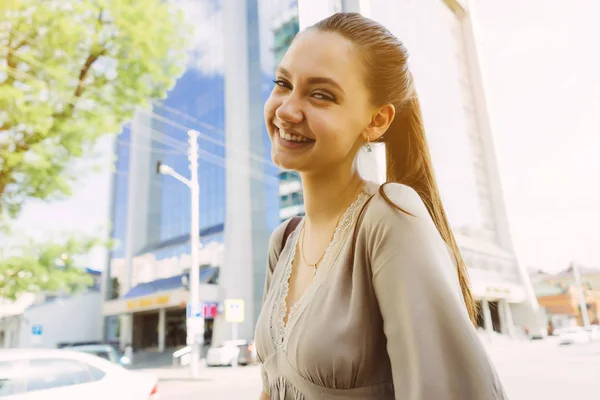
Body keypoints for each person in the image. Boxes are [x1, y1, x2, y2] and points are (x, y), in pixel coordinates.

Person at [255, 12, 508, 400]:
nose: (287, 109)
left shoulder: (389, 217)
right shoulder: (283, 241)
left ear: (376, 120)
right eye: (283, 83)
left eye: (320, 94)